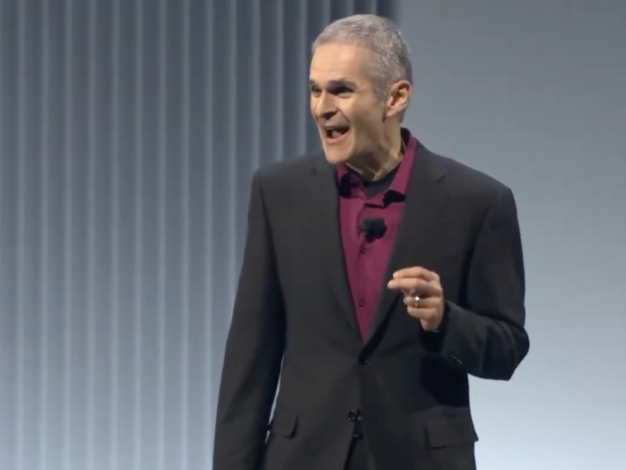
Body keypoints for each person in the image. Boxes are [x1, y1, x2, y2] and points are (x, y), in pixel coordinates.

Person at [212, 14, 529, 470]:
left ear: (395, 97)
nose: (322, 107)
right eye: (315, 89)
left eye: (341, 90)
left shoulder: (477, 202)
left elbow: (506, 348)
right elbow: (250, 354)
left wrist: (444, 321)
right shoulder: (279, 193)